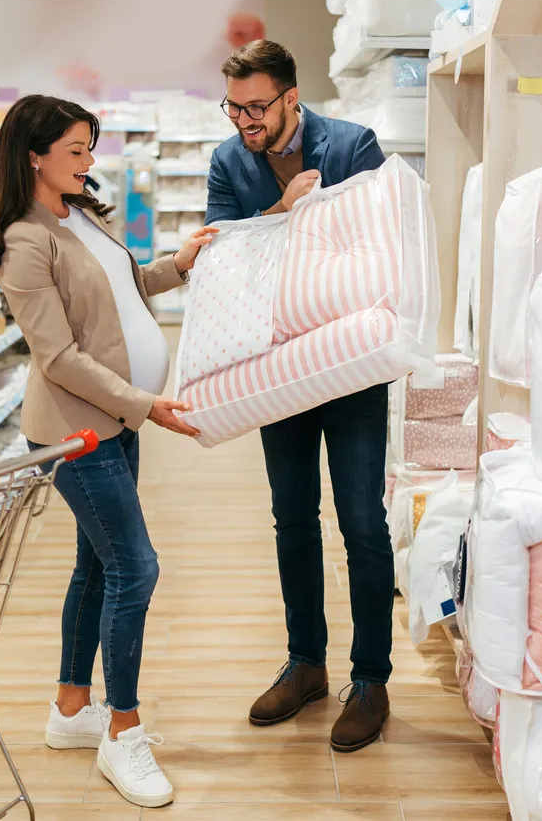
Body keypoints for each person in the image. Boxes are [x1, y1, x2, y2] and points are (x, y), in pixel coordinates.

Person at [0, 94, 216, 808]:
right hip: (78, 432)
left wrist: (177, 263)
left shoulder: (80, 216)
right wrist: (144, 404)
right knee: (135, 568)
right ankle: (122, 731)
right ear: (34, 156)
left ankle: (71, 709)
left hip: (115, 425)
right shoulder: (24, 240)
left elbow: (124, 294)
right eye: (76, 150)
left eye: (89, 149)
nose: (89, 162)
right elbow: (59, 357)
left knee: (96, 563)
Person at [205, 40, 393, 753]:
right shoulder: (229, 160)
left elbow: (376, 244)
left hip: (348, 365)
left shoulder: (353, 145)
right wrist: (284, 213)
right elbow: (222, 257)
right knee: (292, 518)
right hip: (273, 365)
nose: (246, 121)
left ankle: (369, 678)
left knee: (362, 523)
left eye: (257, 106)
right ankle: (306, 663)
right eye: (235, 107)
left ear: (291, 97)